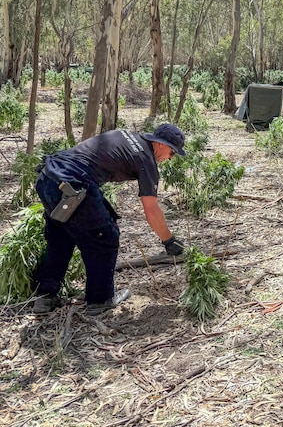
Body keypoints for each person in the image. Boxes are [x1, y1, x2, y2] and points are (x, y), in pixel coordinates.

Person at [32, 124, 188, 316]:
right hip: (72, 185)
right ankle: (100, 301)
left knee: (61, 237)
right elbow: (151, 209)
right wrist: (169, 240)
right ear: (161, 144)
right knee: (104, 239)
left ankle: (44, 296)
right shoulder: (146, 159)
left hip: (48, 176)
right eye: (172, 153)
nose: (170, 158)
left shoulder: (126, 136)